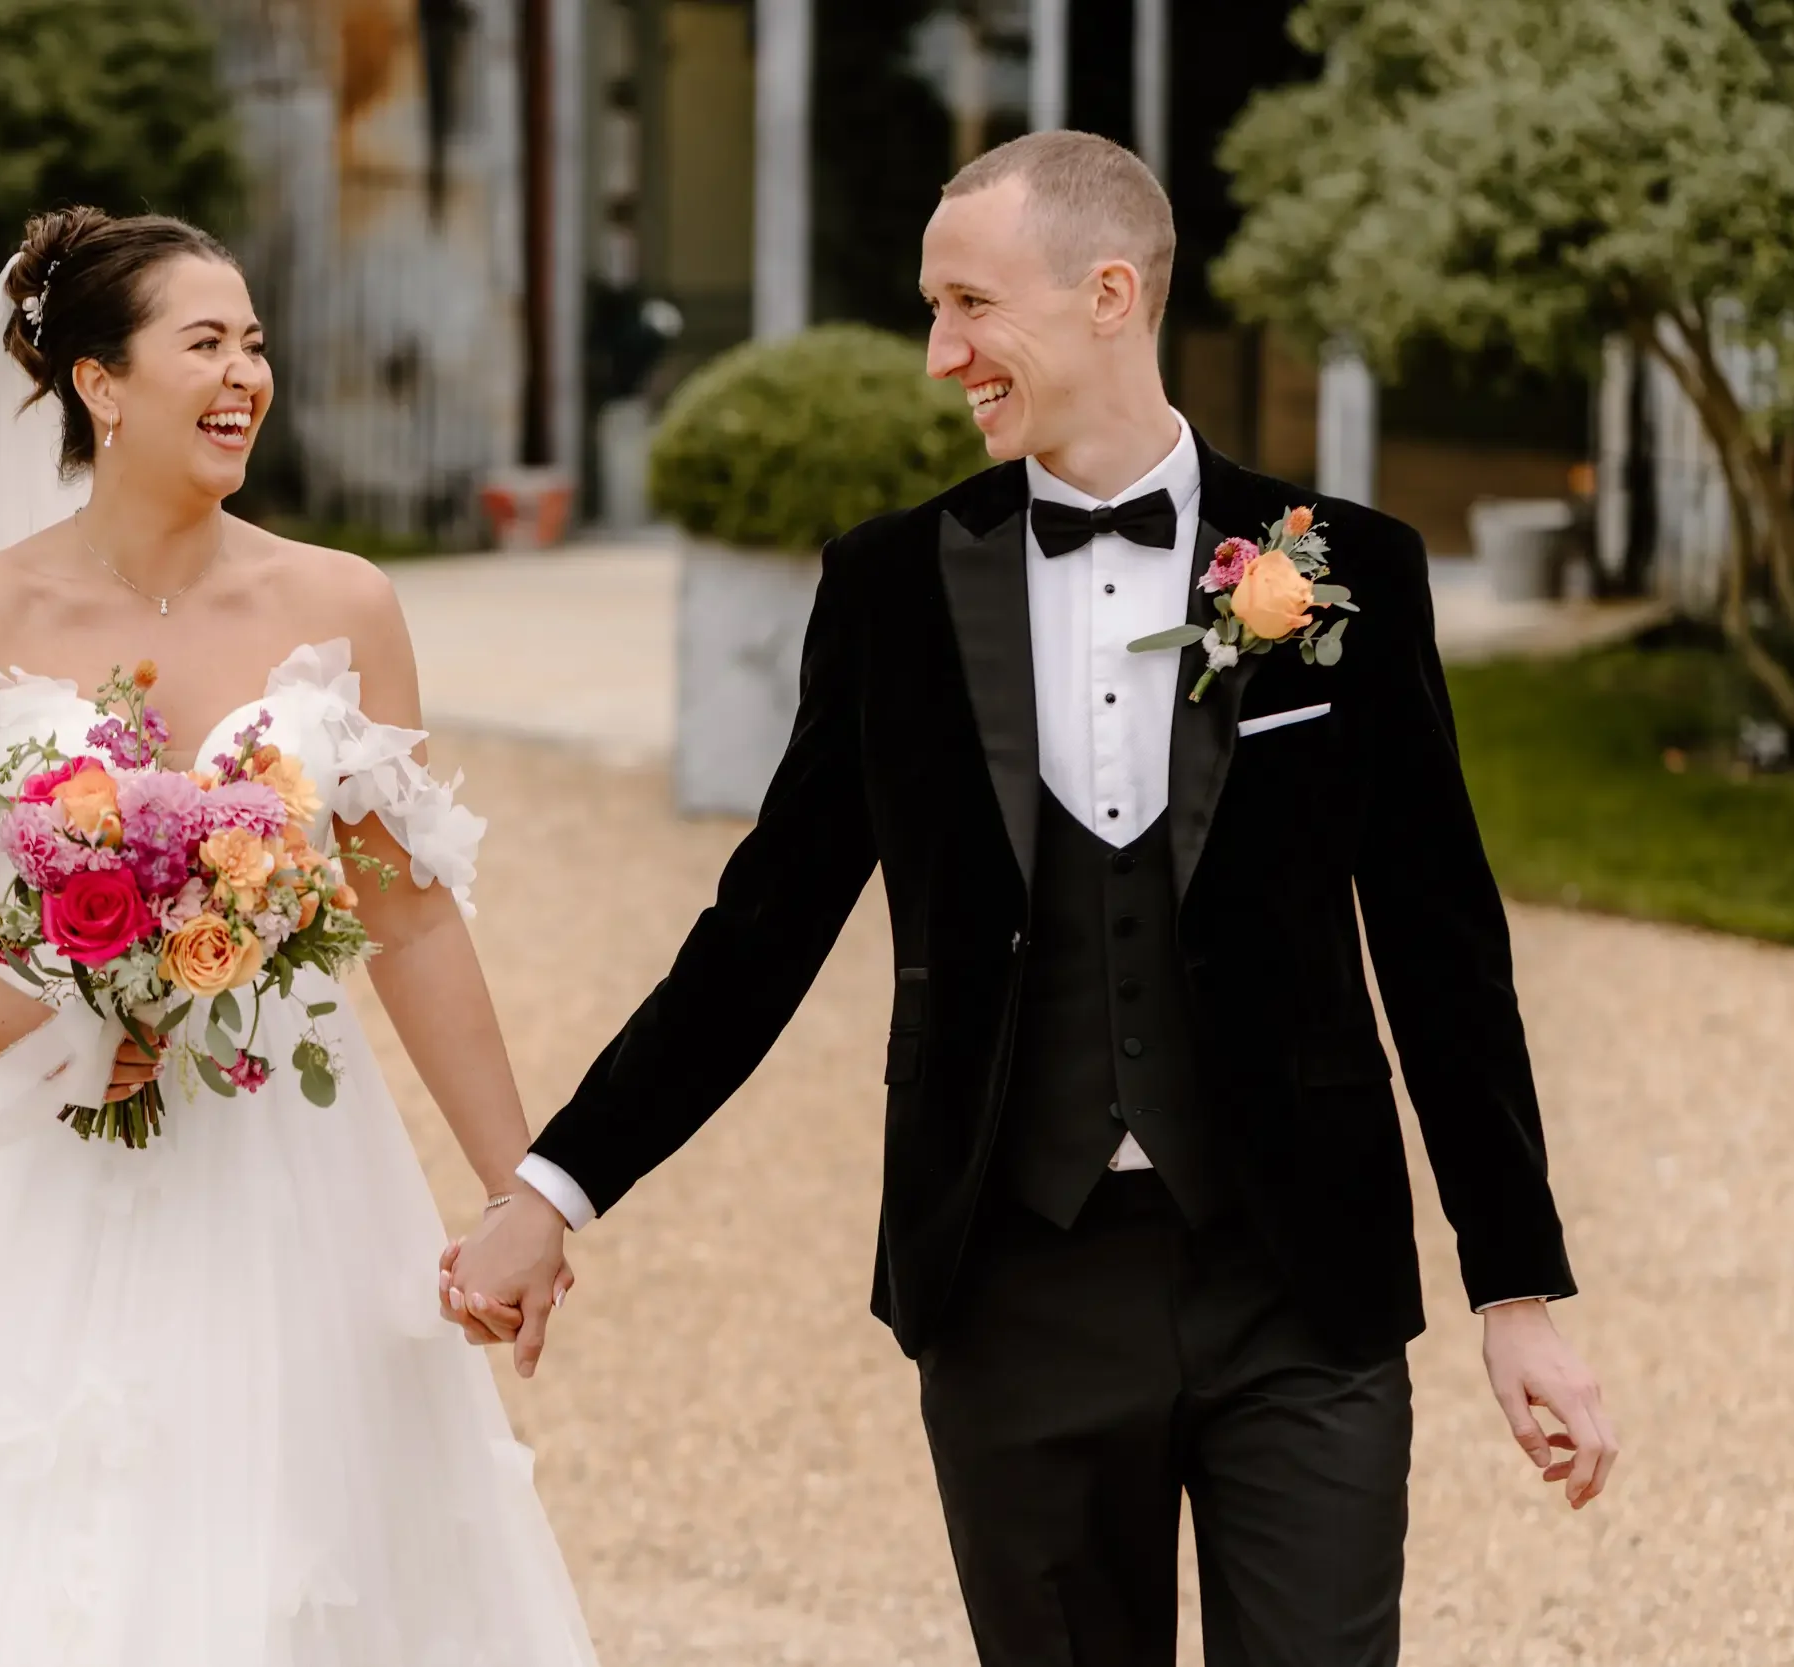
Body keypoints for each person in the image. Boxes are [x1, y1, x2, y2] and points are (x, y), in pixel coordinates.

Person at [444, 132, 1617, 1665]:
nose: (940, 355)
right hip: (1010, 1284)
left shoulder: (1345, 571)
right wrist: (556, 1185)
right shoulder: (888, 588)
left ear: (1110, 293)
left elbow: (1445, 947)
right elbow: (763, 928)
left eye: (969, 307)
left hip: (1301, 1281)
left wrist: (1513, 1280)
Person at [0, 206, 594, 1666]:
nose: (246, 375)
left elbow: (408, 915)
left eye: (257, 343)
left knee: (297, 1548)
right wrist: (57, 1040)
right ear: (100, 385)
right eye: (205, 343)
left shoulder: (341, 604)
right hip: (48, 1161)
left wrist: (511, 1186)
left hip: (293, 1160)